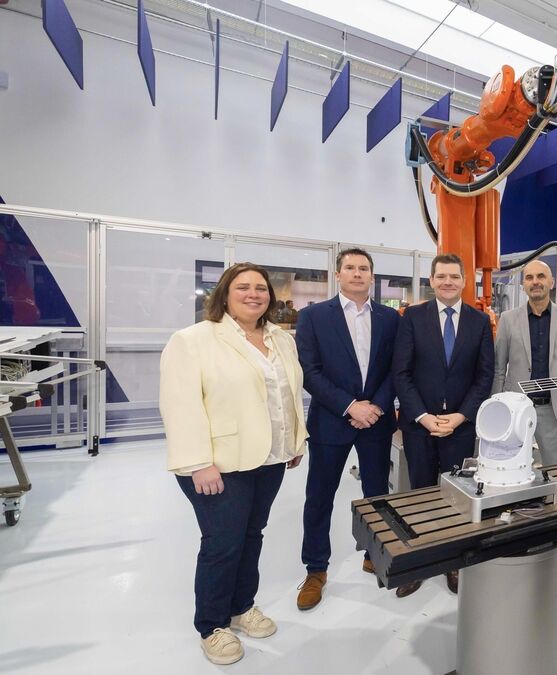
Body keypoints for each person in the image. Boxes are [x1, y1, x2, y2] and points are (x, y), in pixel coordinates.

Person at [160, 262, 307, 666]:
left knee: (252, 534)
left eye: (261, 288)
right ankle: (212, 626)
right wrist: (198, 462)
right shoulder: (193, 340)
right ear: (224, 295)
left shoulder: (280, 338)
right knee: (222, 543)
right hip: (219, 463)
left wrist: (294, 439)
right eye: (243, 287)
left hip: (270, 457)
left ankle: (242, 607)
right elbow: (180, 405)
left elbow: (287, 394)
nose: (253, 294)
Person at [294, 248, 399, 611]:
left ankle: (374, 554)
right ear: (337, 274)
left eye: (363, 268)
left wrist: (377, 406)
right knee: (319, 496)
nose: (357, 273)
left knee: (377, 494)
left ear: (372, 276)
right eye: (350, 268)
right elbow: (309, 371)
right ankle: (315, 569)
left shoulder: (390, 318)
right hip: (331, 420)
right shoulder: (313, 317)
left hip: (377, 421)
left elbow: (396, 368)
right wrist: (350, 406)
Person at [392, 252, 494, 596]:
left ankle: (453, 562)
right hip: (420, 425)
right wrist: (423, 416)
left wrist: (461, 415)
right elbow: (401, 373)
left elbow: (484, 376)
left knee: (457, 497)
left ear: (464, 281)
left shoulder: (479, 322)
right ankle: (419, 564)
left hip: (460, 427)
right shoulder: (412, 317)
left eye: (454, 276)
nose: (448, 282)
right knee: (420, 494)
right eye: (441, 276)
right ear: (432, 281)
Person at [492, 259, 557, 468]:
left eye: (541, 276)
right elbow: (499, 369)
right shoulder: (508, 319)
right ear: (523, 285)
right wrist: (496, 407)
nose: (535, 282)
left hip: (554, 410)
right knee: (511, 469)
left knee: (555, 471)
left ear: (552, 282)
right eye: (529, 277)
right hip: (516, 409)